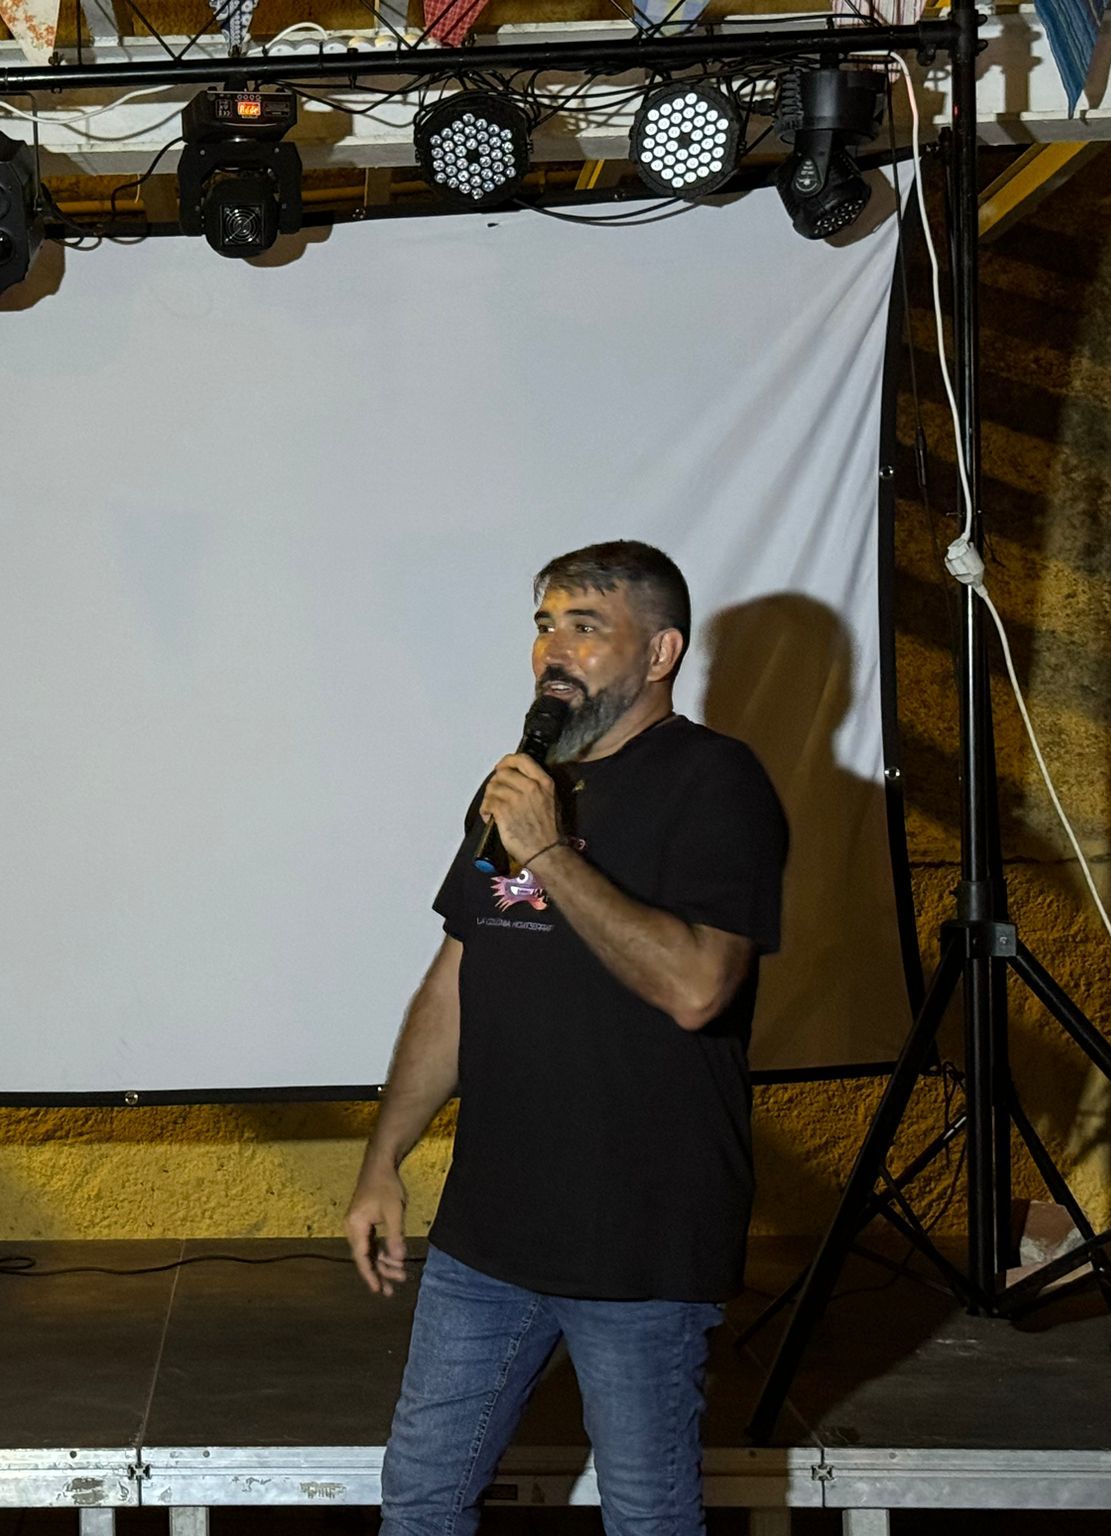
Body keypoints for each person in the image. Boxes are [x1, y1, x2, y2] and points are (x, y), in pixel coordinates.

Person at [344, 540, 789, 1536]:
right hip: (487, 1231)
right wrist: (382, 1160)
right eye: (544, 624)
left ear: (661, 649)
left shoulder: (716, 783)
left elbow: (693, 989)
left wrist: (546, 850)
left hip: (638, 1240)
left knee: (644, 1518)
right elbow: (459, 977)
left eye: (585, 626)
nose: (554, 647)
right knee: (417, 1500)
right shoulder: (517, 784)